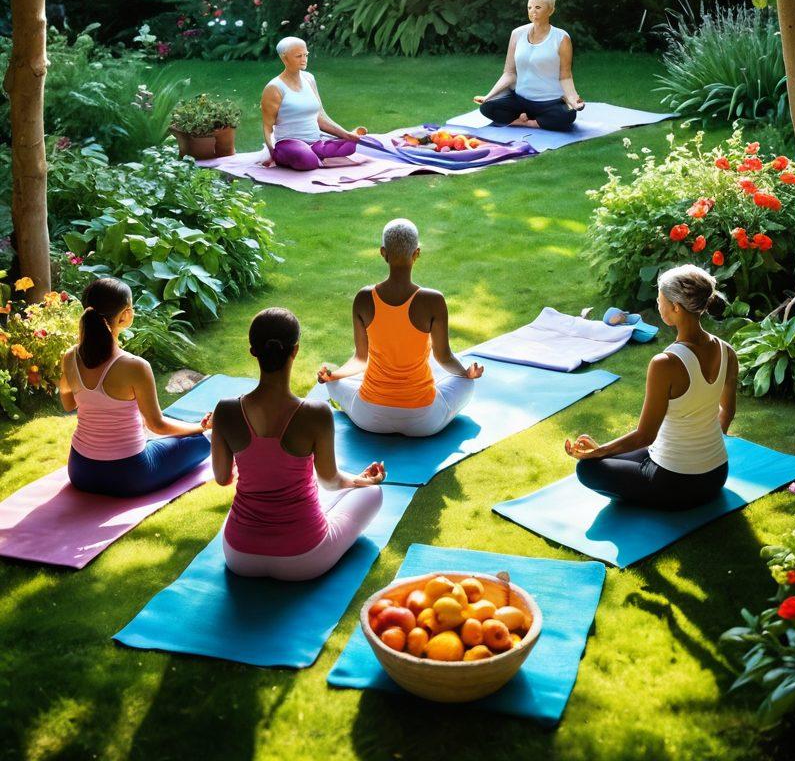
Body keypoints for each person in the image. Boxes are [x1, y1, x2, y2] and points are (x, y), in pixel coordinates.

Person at [212, 307, 385, 581]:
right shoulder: (315, 413)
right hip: (304, 558)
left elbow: (222, 478)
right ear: (295, 351)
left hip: (239, 555)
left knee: (315, 491)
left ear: (253, 351)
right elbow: (329, 481)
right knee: (372, 494)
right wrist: (362, 481)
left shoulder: (225, 410)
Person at [565, 265, 739, 510]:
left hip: (675, 484)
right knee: (616, 454)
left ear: (676, 308)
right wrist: (702, 453)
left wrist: (599, 453)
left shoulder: (665, 364)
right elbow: (727, 412)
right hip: (716, 473)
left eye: (660, 300)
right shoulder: (727, 351)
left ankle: (648, 492)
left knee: (587, 469)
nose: (658, 305)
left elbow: (645, 436)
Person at [317, 218, 484, 436]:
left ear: (383, 253)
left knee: (333, 384)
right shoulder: (434, 300)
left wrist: (334, 376)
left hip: (369, 416)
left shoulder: (364, 298)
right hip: (423, 420)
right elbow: (443, 357)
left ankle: (337, 383)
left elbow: (360, 359)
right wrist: (466, 374)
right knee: (466, 384)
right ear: (417, 253)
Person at [59, 278, 212, 496]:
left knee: (160, 438)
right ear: (126, 315)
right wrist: (201, 427)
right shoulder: (135, 366)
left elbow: (67, 403)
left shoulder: (70, 357)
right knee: (202, 442)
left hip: (81, 471)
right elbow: (157, 425)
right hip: (130, 476)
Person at [474, 0, 584, 131]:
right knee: (487, 108)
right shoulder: (517, 34)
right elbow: (509, 73)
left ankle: (526, 123)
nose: (533, 11)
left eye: (538, 7)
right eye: (530, 7)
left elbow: (565, 76)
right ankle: (535, 121)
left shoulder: (561, 38)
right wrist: (488, 96)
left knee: (568, 115)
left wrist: (575, 100)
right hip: (521, 100)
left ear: (550, 10)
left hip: (549, 103)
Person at [261, 36, 367, 170]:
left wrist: (346, 134)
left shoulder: (309, 79)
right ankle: (316, 158)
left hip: (316, 142)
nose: (304, 59)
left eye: (306, 55)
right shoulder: (274, 88)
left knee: (353, 143)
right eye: (298, 56)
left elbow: (320, 116)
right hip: (289, 143)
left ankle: (319, 154)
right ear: (284, 57)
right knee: (307, 159)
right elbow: (267, 127)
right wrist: (272, 153)